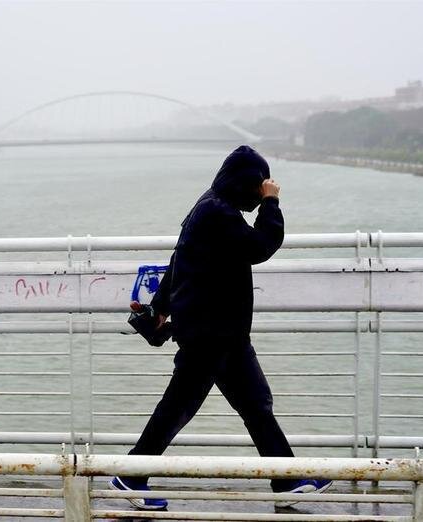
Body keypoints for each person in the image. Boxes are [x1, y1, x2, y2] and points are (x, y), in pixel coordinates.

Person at [110, 146, 332, 510]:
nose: (260, 192)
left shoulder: (210, 206)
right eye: (258, 186)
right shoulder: (217, 213)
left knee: (256, 405)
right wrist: (272, 203)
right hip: (209, 333)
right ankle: (131, 474)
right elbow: (260, 246)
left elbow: (179, 260)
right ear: (246, 183)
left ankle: (287, 480)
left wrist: (162, 308)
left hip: (223, 332)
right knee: (179, 407)